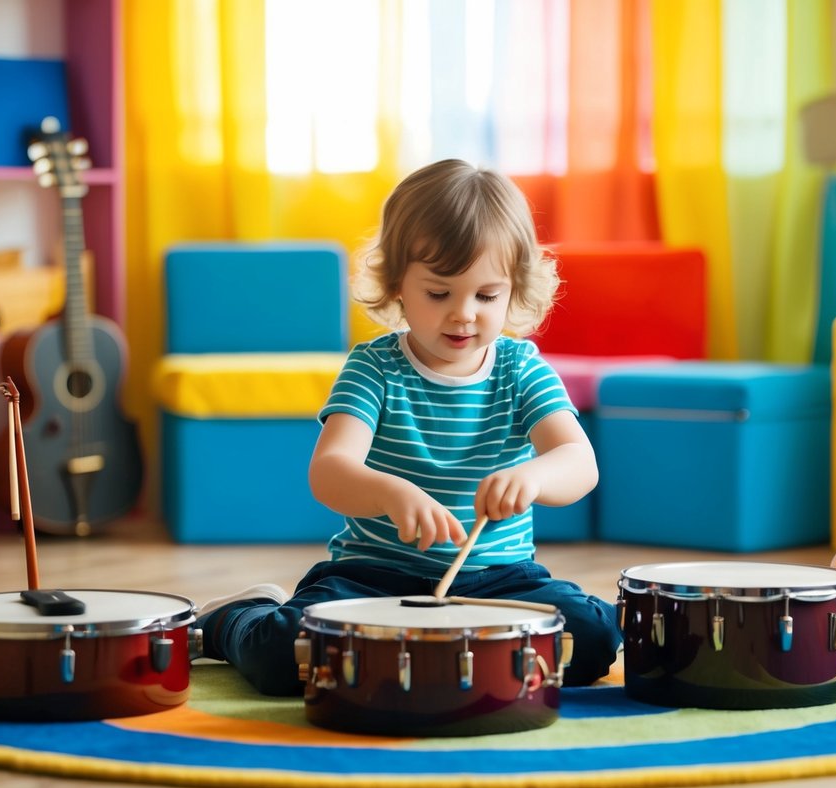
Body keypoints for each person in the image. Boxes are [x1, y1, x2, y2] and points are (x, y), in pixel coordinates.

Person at [194, 158, 621, 695]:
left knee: (591, 638)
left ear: (515, 288)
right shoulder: (374, 367)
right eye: (439, 294)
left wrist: (534, 477)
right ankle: (233, 619)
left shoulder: (521, 369)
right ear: (397, 285)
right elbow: (330, 470)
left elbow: (579, 462)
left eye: (487, 295)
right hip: (373, 577)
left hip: (499, 581)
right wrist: (391, 493)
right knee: (284, 655)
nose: (464, 314)